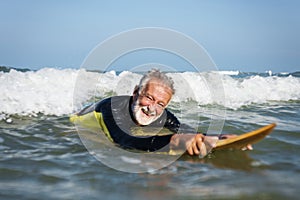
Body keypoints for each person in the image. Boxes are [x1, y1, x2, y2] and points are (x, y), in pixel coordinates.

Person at [73, 69, 251, 156]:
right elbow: (123, 141)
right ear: (136, 92)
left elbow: (185, 131)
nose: (153, 109)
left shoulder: (161, 114)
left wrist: (218, 137)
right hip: (75, 126)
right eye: (149, 98)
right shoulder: (113, 108)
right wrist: (173, 142)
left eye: (161, 103)